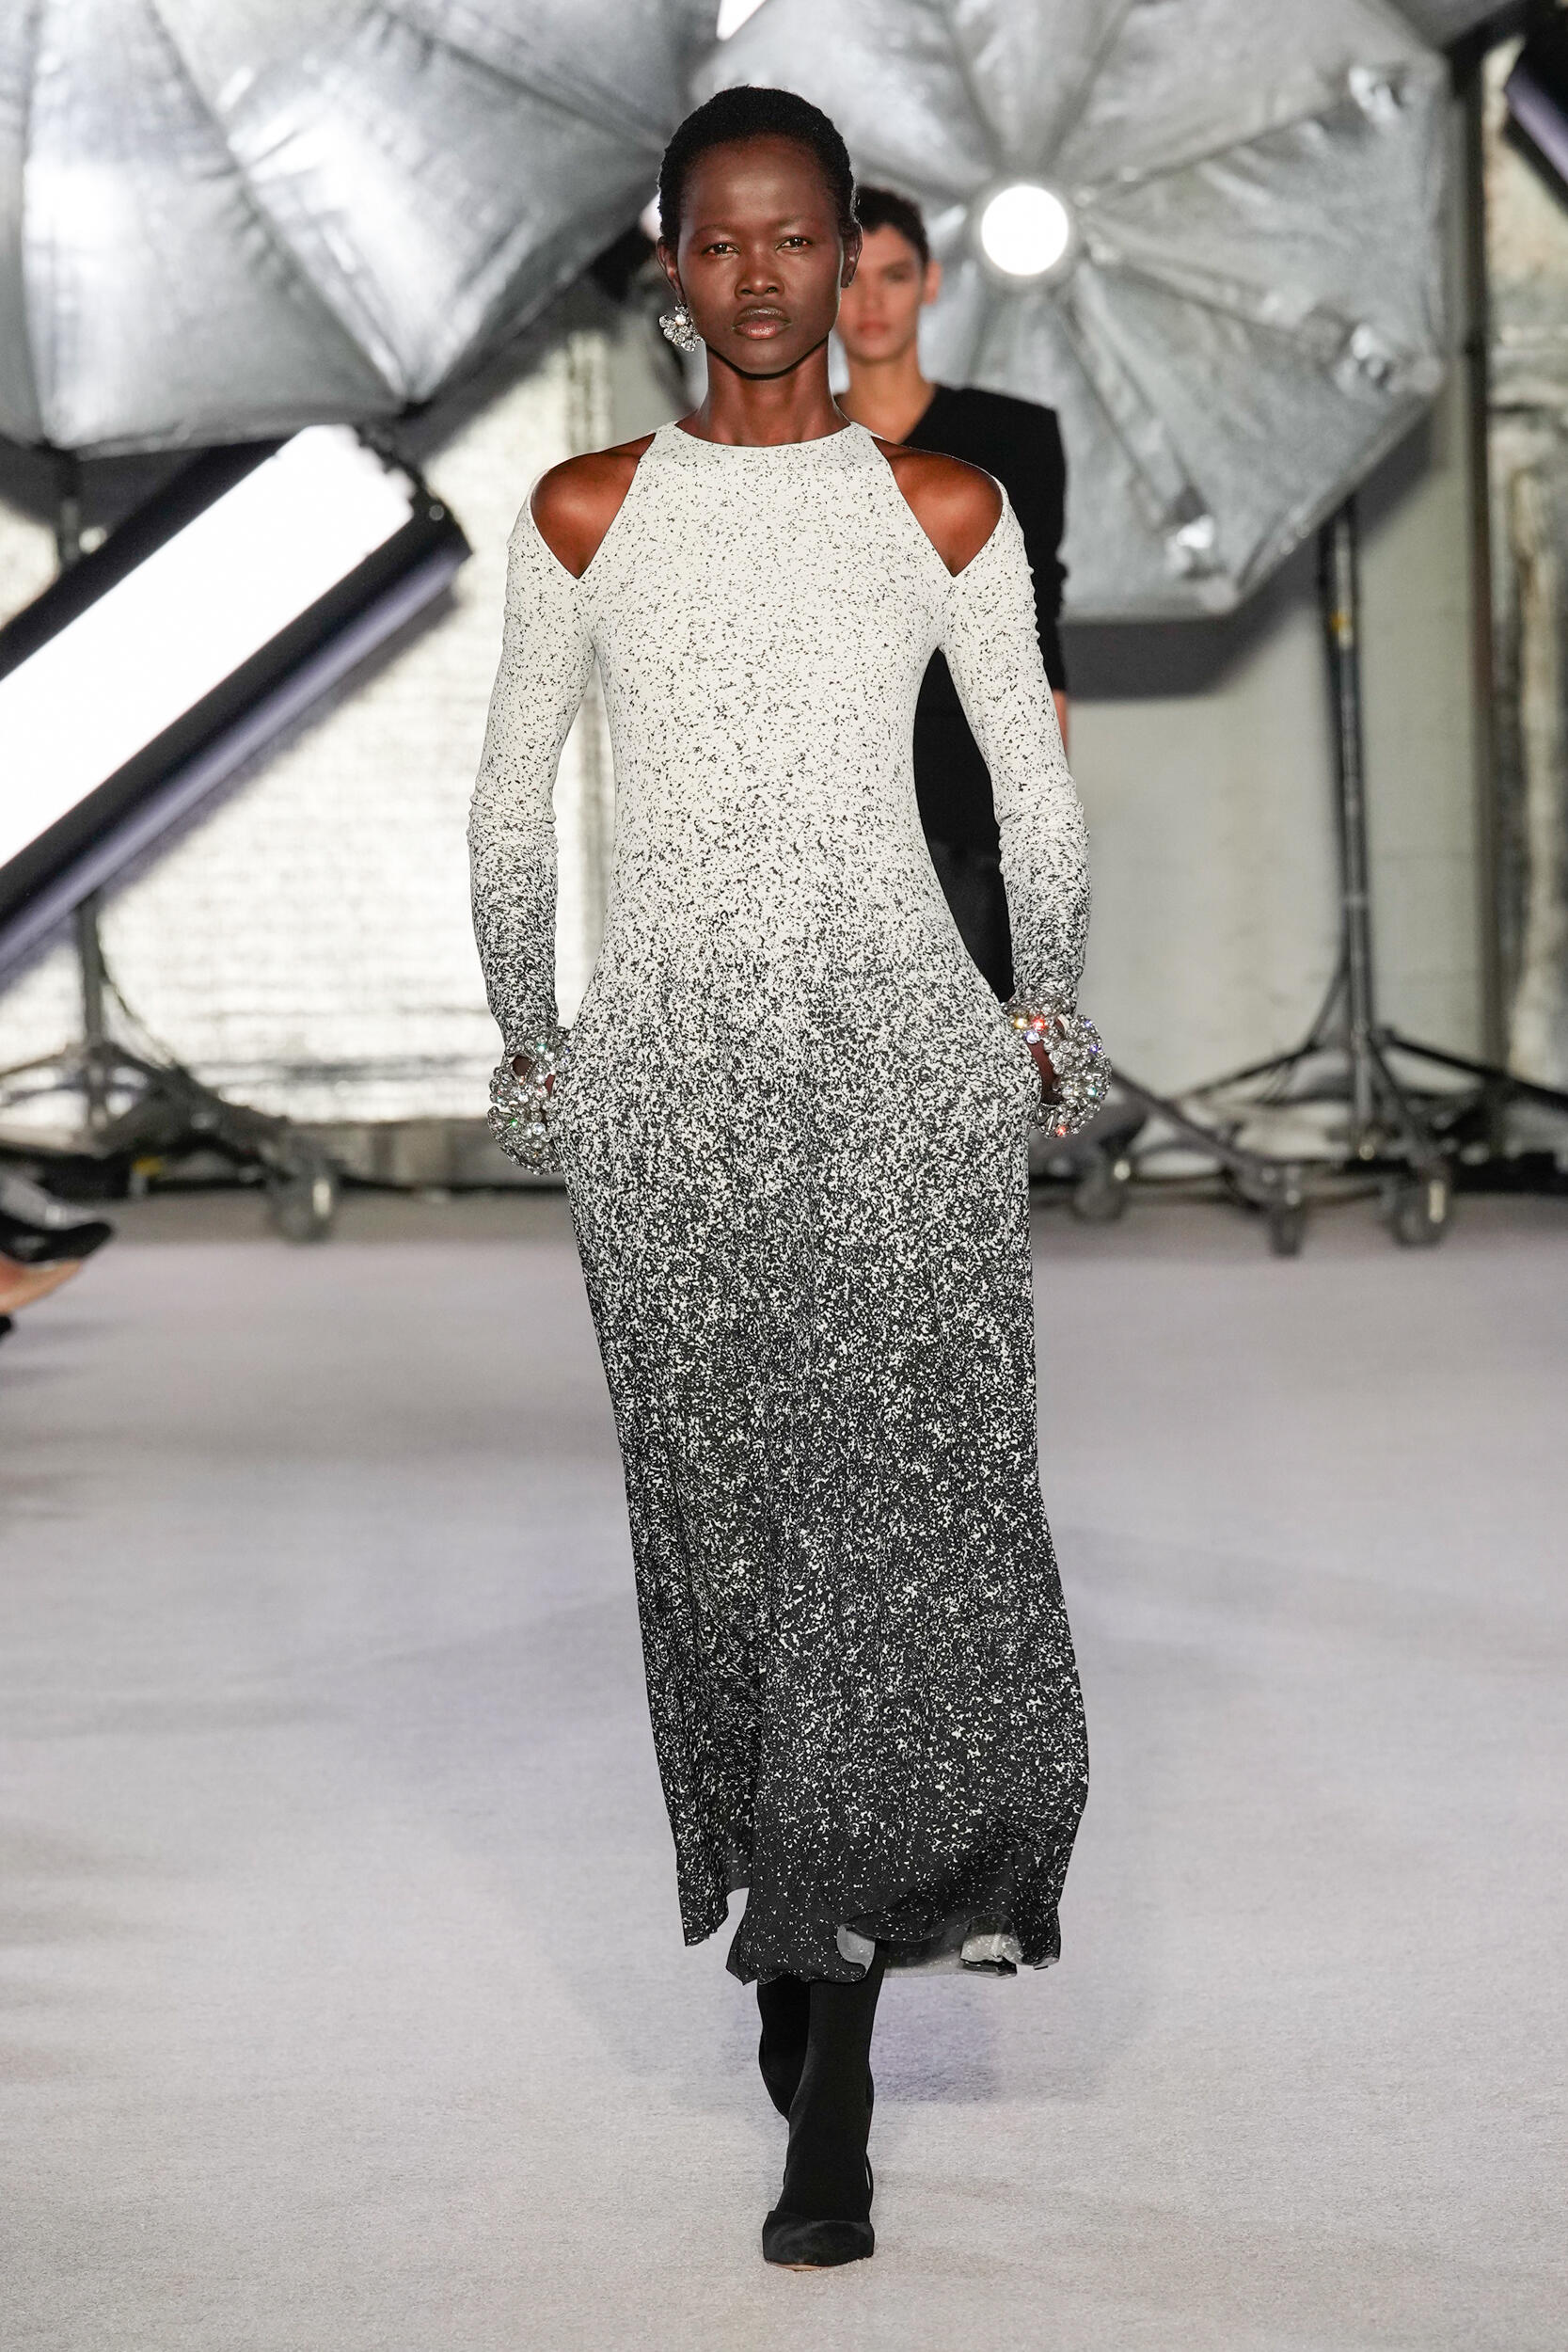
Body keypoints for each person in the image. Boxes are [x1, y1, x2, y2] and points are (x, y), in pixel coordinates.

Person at [468, 86, 1106, 2271]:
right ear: (671, 261)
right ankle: (793, 1908)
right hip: (669, 1095)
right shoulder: (580, 510)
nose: (756, 276)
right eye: (718, 240)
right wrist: (536, 1039)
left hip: (900, 1073)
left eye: (795, 238)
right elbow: (506, 806)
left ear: (849, 256)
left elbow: (1029, 791)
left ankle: (832, 2056)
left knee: (885, 1537)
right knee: (720, 1536)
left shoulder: (940, 503)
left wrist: (1043, 1011)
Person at [837, 185, 1071, 1002]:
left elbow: (1035, 630)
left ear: (930, 283)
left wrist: (1043, 828)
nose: (872, 302)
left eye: (895, 276)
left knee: (974, 1045)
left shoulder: (1010, 440)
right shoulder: (782, 452)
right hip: (832, 795)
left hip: (966, 782)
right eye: (853, 278)